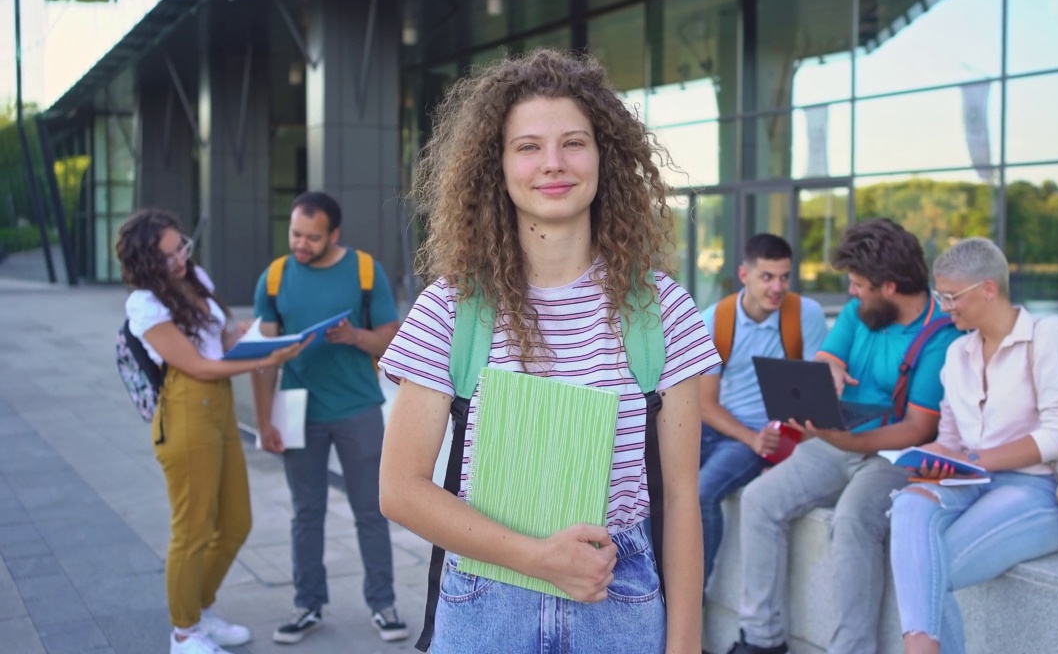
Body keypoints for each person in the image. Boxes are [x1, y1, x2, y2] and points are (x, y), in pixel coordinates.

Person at [378, 48, 720, 654]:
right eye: (528, 146)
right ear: (497, 166)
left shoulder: (661, 310)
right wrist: (540, 558)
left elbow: (682, 498)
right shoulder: (449, 309)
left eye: (574, 143)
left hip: (618, 600)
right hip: (485, 603)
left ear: (604, 157)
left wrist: (686, 645)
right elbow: (400, 489)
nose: (553, 164)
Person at [726, 218, 962, 654]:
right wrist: (828, 371)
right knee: (760, 500)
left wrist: (846, 442)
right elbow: (828, 355)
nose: (851, 293)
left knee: (853, 519)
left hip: (894, 455)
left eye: (858, 284)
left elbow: (918, 428)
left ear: (888, 286)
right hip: (840, 441)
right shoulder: (861, 311)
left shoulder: (941, 338)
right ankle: (761, 639)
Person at [117, 209, 307, 654]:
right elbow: (198, 365)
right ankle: (183, 632)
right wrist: (265, 360)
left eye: (180, 246)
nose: (179, 260)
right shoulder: (144, 303)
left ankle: (198, 610)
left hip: (216, 402)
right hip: (186, 408)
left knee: (236, 522)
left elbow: (217, 347)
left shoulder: (195, 278)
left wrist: (246, 337)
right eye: (167, 257)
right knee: (193, 528)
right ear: (146, 262)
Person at [889, 237, 1058, 654]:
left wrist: (973, 459)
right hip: (973, 481)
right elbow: (949, 440)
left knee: (928, 571)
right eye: (940, 297)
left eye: (951, 297)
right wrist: (931, 463)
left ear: (988, 289)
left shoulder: (1046, 335)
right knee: (909, 502)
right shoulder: (958, 353)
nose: (944, 307)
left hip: (1038, 490)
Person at [249, 191, 407, 644]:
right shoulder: (275, 277)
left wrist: (354, 335)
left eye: (312, 237)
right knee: (306, 513)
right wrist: (264, 423)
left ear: (333, 234)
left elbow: (389, 343)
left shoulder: (363, 271)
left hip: (358, 410)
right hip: (297, 412)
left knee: (372, 512)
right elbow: (262, 360)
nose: (300, 243)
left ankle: (384, 604)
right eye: (296, 233)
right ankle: (307, 606)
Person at [698, 233, 827, 585]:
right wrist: (749, 438)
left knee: (701, 494)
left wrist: (782, 450)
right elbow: (704, 403)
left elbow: (816, 396)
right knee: (651, 488)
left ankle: (696, 603)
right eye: (767, 277)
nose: (777, 287)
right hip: (724, 428)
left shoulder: (806, 315)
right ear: (744, 275)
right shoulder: (716, 319)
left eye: (784, 277)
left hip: (764, 437)